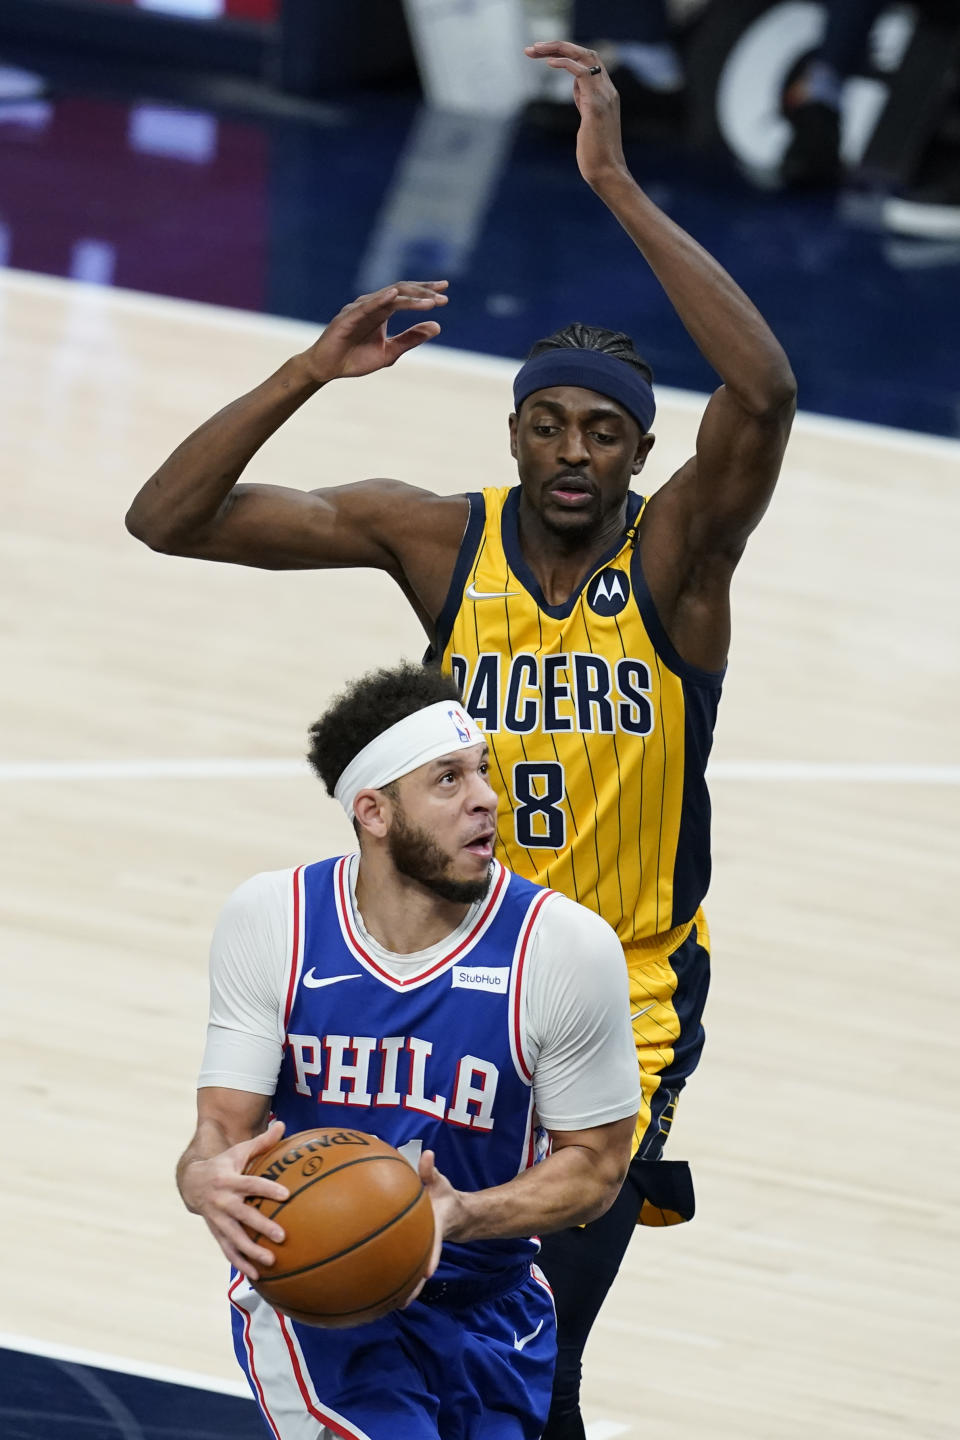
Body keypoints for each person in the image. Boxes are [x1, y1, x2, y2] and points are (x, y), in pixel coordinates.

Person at [128, 40, 797, 1440]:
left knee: (525, 1355)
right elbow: (169, 520)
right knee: (401, 1309)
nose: (572, 450)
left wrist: (611, 179)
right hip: (454, 981)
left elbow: (769, 393)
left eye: (604, 433)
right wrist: (309, 369)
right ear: (512, 434)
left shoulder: (680, 564)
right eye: (547, 423)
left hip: (627, 985)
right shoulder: (438, 537)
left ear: (638, 455)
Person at [178, 661, 641, 1440]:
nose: (488, 798)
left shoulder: (562, 948)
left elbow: (595, 1170)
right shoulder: (276, 921)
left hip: (492, 1308)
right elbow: (221, 1131)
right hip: (322, 1296)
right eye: (448, 780)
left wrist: (457, 1215)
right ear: (375, 812)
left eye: (483, 771)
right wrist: (202, 1181)